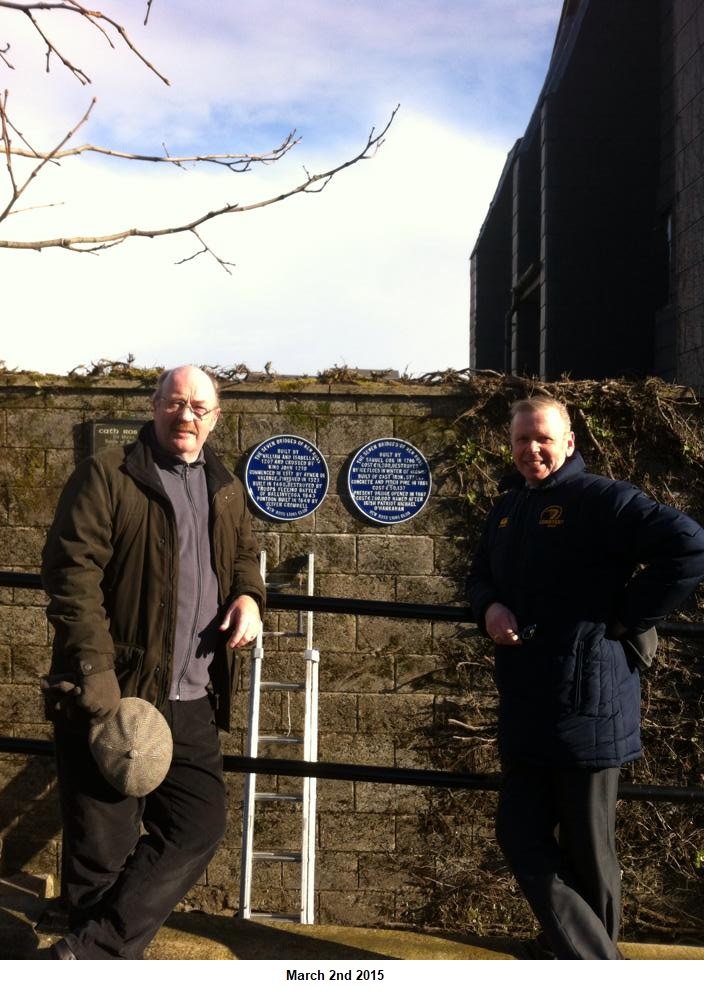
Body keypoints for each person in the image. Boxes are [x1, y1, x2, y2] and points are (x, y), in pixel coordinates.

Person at [40, 365, 265, 960]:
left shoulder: (224, 486)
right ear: (154, 405)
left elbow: (244, 554)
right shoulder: (108, 474)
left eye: (198, 406)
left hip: (191, 692)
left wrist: (250, 596)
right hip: (114, 690)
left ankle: (90, 955)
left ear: (215, 418)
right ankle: (100, 957)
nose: (185, 415)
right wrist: (96, 679)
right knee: (102, 851)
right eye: (174, 403)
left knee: (198, 823)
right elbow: (71, 577)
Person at [467, 396, 704, 960]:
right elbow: (479, 576)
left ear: (570, 441)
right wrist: (489, 608)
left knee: (590, 854)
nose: (532, 450)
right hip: (527, 704)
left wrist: (626, 614)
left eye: (543, 438)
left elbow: (689, 545)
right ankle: (589, 960)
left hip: (589, 704)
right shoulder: (507, 509)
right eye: (523, 439)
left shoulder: (602, 500)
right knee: (519, 833)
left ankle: (589, 964)